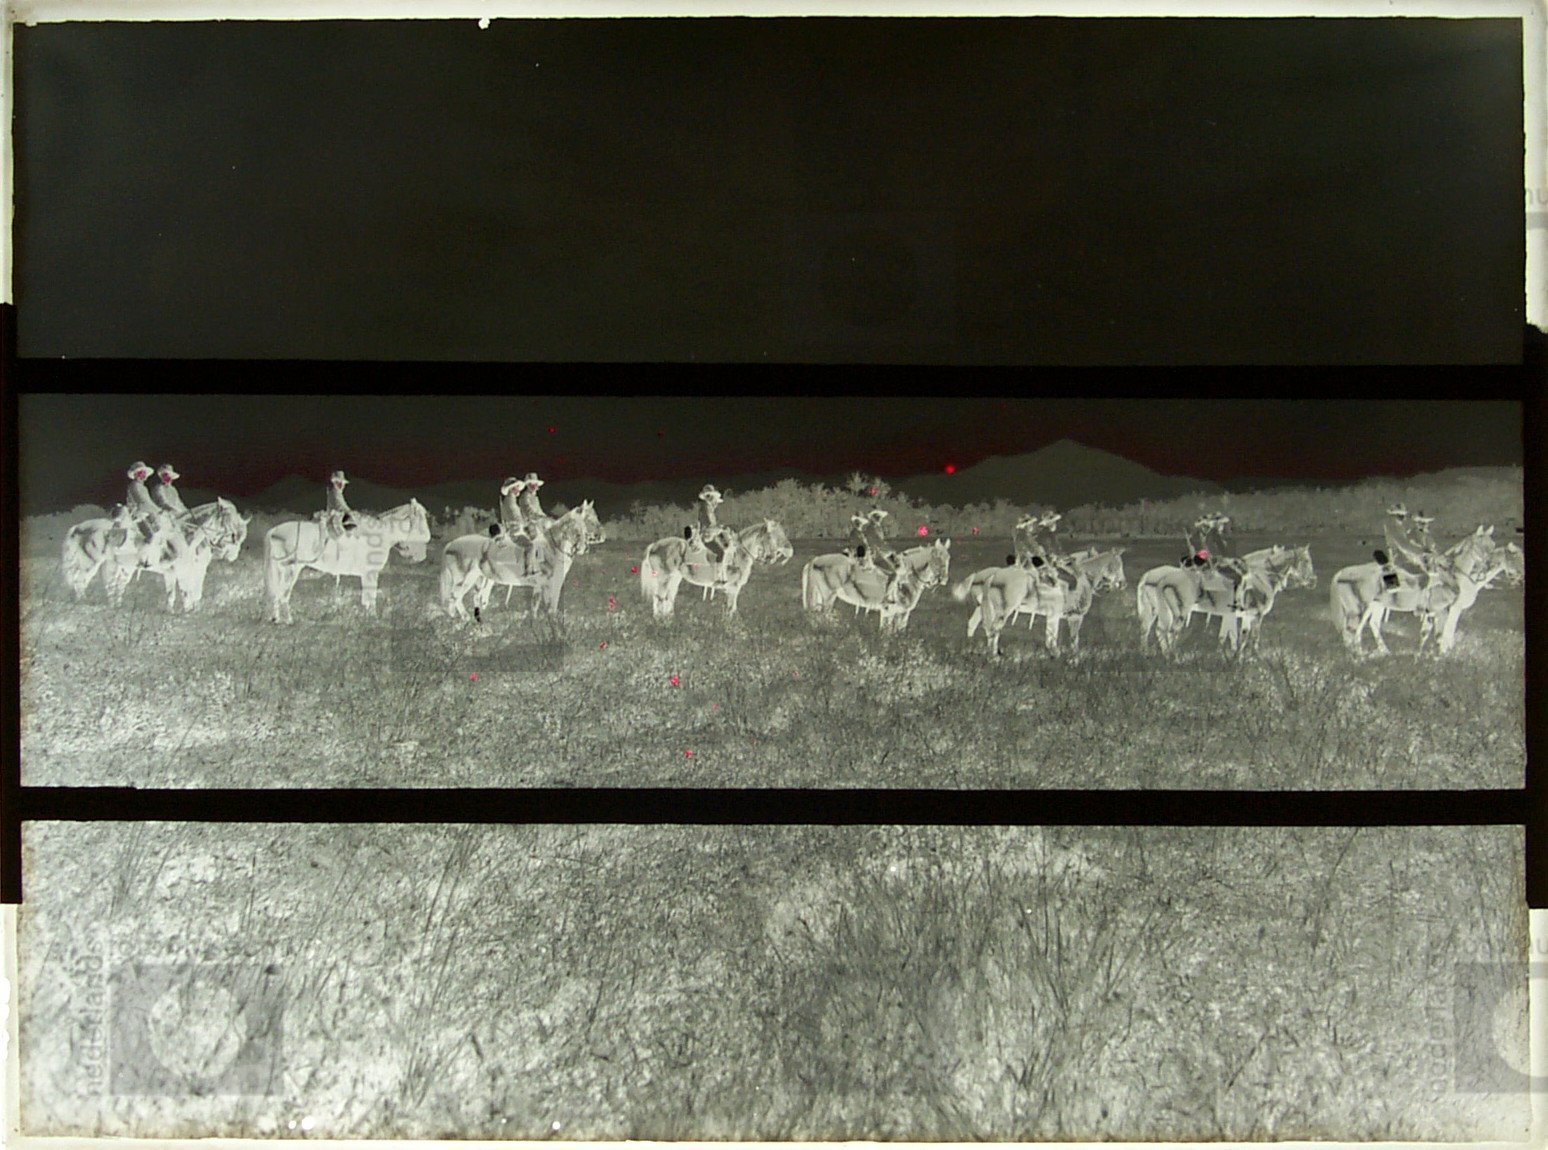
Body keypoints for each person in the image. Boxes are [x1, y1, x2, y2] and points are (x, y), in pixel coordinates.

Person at [125, 460, 187, 558]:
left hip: (149, 512)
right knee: (153, 534)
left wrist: (186, 512)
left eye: (144, 473)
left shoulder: (144, 487)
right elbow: (144, 502)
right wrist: (160, 510)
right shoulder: (135, 486)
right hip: (138, 514)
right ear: (135, 475)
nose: (143, 476)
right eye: (140, 473)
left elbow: (179, 503)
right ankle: (143, 557)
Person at [1184, 513, 1246, 609]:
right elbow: (1214, 555)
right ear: (1216, 525)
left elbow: (1221, 553)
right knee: (1239, 578)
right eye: (1221, 525)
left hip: (1214, 562)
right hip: (1216, 565)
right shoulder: (1212, 536)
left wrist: (1233, 559)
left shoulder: (1212, 536)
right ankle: (1236, 602)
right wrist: (1230, 560)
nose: (1222, 527)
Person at [860, 508, 904, 604]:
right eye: (877, 517)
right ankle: (886, 597)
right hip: (876, 557)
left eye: (879, 517)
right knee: (894, 573)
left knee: (899, 566)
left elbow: (882, 543)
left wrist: (892, 553)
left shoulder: (877, 528)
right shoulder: (871, 529)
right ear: (872, 518)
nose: (879, 519)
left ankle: (895, 593)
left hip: (881, 554)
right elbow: (879, 543)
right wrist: (892, 551)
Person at [695, 485, 735, 565]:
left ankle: (729, 564)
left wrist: (722, 528)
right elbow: (708, 526)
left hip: (713, 534)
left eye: (715, 500)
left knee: (730, 544)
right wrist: (720, 529)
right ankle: (717, 571)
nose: (715, 503)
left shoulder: (710, 509)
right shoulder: (704, 509)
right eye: (710, 497)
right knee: (721, 552)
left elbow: (714, 525)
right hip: (707, 536)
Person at [325, 470, 358, 537]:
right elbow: (339, 507)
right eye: (338, 483)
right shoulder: (334, 494)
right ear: (334, 483)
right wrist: (351, 513)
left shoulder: (337, 493)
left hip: (335, 525)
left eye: (342, 483)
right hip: (335, 526)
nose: (341, 485)